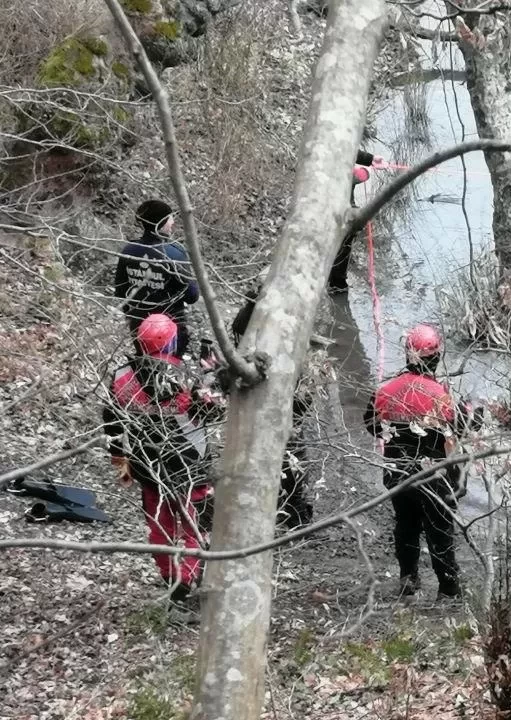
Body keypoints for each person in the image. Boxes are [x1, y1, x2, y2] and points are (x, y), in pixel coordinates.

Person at [102, 314, 221, 616]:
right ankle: (186, 584)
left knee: (160, 528)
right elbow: (212, 412)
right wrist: (213, 374)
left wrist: (120, 462)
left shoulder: (121, 377)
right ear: (172, 341)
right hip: (190, 467)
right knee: (195, 527)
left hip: (147, 467)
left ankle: (173, 582)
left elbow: (111, 423)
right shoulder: (186, 379)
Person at [366, 324, 482, 600]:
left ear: (408, 354)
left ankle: (408, 581)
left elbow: (372, 425)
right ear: (437, 357)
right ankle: (448, 590)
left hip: (397, 473)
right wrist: (476, 411)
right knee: (439, 531)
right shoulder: (441, 396)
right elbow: (464, 428)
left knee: (405, 525)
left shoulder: (386, 390)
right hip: (435, 477)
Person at [230, 289, 314, 529]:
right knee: (293, 463)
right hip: (280, 407)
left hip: (253, 405)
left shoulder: (242, 321)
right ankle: (297, 515)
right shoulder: (273, 329)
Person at [114, 200, 200, 357]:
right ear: (161, 222)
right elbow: (192, 295)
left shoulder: (129, 250)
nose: (173, 222)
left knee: (144, 364)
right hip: (170, 327)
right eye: (170, 218)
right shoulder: (174, 253)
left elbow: (120, 292)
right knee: (170, 365)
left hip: (139, 325)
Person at [329, 149, 386, 294]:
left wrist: (370, 159)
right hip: (336, 207)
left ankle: (334, 282)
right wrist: (362, 172)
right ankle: (336, 285)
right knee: (343, 241)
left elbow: (346, 149)